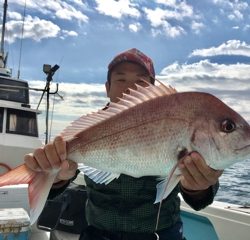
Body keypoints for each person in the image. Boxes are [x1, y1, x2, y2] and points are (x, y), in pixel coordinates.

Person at [25, 48, 223, 240]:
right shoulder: (90, 129)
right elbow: (62, 181)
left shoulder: (175, 121)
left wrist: (197, 187)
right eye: (121, 79)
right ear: (107, 88)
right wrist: (58, 176)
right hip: (98, 233)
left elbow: (200, 199)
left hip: (160, 234)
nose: (131, 87)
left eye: (141, 81)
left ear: (153, 89)